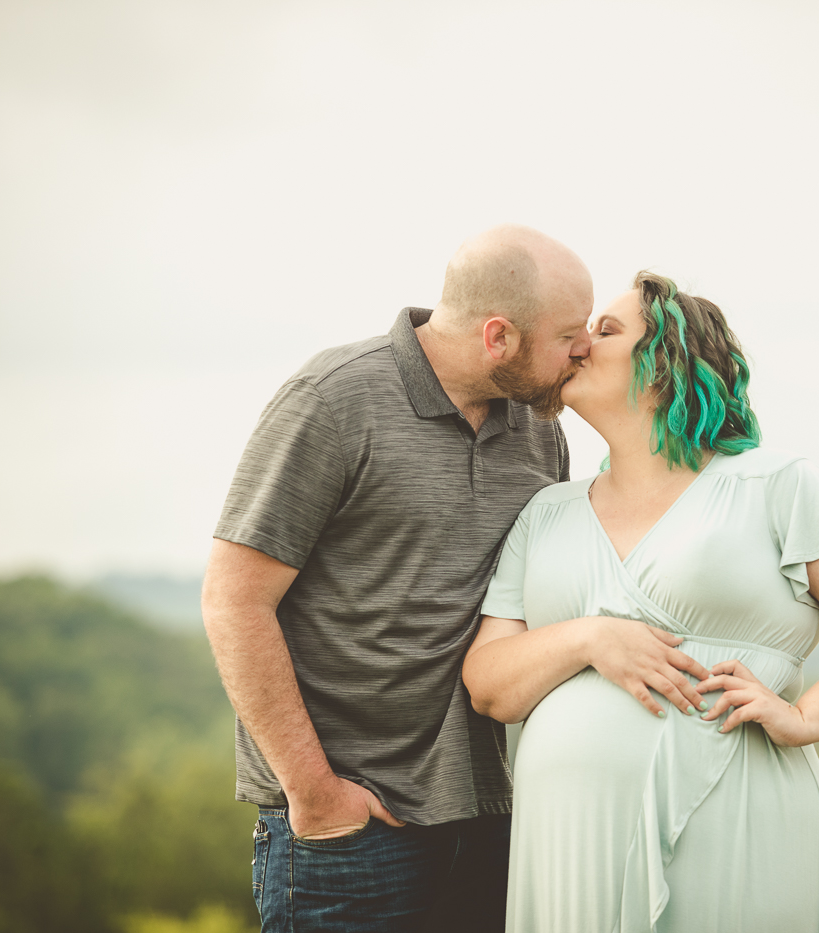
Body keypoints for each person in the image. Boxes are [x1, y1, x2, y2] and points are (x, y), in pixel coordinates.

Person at [463, 272, 819, 933]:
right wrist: (588, 637)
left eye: (605, 332)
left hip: (737, 818)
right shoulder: (547, 512)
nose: (576, 347)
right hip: (568, 844)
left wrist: (804, 716)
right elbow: (488, 684)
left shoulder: (777, 485)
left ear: (664, 361)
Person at [201, 224, 604, 933]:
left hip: (493, 824)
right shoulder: (333, 401)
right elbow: (234, 599)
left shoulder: (541, 431)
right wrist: (317, 793)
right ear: (498, 336)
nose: (585, 350)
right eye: (569, 333)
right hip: (351, 836)